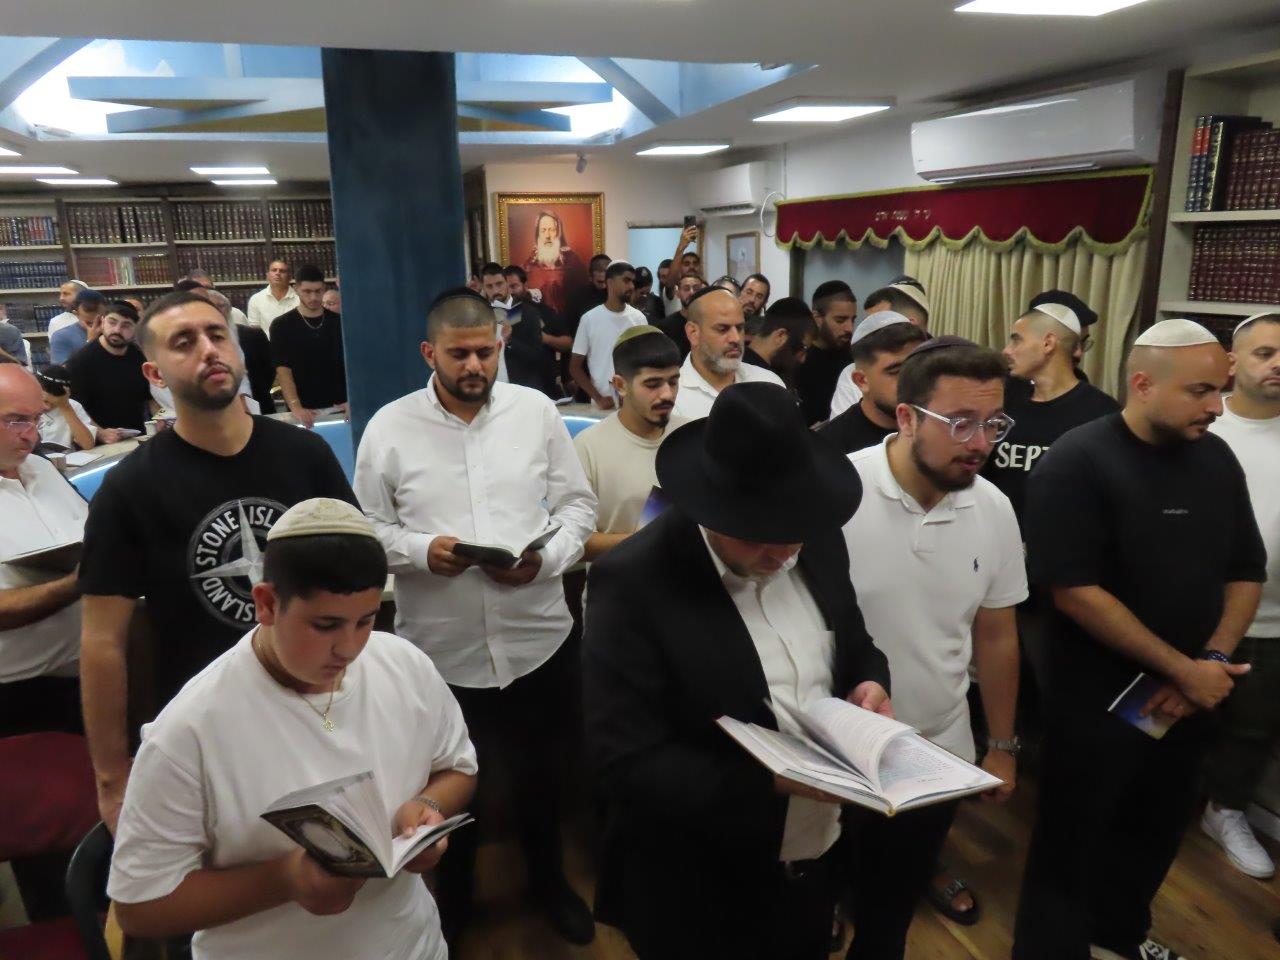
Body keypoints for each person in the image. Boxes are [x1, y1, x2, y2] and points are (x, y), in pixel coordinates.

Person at [583, 381, 892, 960]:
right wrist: (774, 779)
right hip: (698, 882)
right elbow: (624, 760)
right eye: (758, 535)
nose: (783, 554)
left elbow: (856, 644)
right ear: (710, 506)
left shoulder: (816, 540)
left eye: (793, 533)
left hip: (816, 855)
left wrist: (871, 683)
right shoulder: (634, 581)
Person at [107, 497, 478, 960]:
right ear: (266, 603)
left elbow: (458, 768)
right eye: (325, 625)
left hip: (412, 946)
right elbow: (140, 909)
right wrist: (285, 880)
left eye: (365, 621)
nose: (349, 649)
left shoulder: (404, 665)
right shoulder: (190, 730)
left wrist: (427, 808)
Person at [1012, 318, 1267, 960]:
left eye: (1220, 390)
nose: (1216, 407)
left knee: (1155, 830)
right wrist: (1185, 669)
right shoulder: (1077, 461)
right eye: (1201, 392)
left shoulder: (1215, 458)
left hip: (1190, 696)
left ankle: (1118, 941)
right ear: (1144, 383)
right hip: (1098, 700)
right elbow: (1075, 591)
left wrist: (1208, 662)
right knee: (1072, 844)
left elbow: (1246, 570)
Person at [353, 288, 597, 946]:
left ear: (500, 345)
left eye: (485, 352)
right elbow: (366, 529)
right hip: (442, 653)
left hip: (538, 638)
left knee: (545, 777)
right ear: (429, 353)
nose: (474, 366)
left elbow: (578, 508)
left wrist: (544, 562)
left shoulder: (535, 412)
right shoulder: (390, 428)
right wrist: (419, 551)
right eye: (458, 354)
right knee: (446, 788)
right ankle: (453, 903)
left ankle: (549, 884)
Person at [78, 291, 357, 833]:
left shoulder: (307, 456)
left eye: (217, 335)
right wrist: (110, 777)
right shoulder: (129, 488)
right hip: (206, 731)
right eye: (184, 342)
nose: (208, 349)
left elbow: (353, 584)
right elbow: (102, 641)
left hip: (320, 710)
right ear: (155, 374)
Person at [838, 337, 1024, 958]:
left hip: (935, 749)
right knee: (816, 901)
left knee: (890, 916)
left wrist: (1001, 746)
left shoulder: (994, 509)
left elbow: (995, 633)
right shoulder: (839, 488)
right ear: (907, 417)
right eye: (961, 422)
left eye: (993, 423)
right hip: (834, 747)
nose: (980, 442)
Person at [1199, 312, 1280, 880]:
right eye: (1265, 353)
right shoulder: (1203, 426)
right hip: (1194, 617)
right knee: (1161, 721)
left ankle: (1225, 812)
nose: (1278, 364)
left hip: (1274, 620)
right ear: (1232, 361)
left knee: (1252, 729)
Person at [0, 360, 88, 737]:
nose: (31, 435)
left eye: (37, 420)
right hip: (16, 699)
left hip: (85, 679)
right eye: (17, 420)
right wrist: (77, 583)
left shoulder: (43, 469)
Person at [985, 294, 1120, 525]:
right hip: (994, 535)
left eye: (1016, 340)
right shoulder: (1001, 402)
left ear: (1048, 343)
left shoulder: (1102, 414)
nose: (1007, 350)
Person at [574, 327, 683, 561]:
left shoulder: (691, 435)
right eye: (653, 384)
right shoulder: (588, 447)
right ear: (620, 385)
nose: (667, 394)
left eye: (673, 382)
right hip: (616, 582)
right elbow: (574, 541)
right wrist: (653, 542)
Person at [818, 312, 927, 455]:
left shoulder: (939, 428)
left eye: (917, 366)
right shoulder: (828, 448)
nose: (912, 379)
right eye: (896, 371)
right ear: (862, 381)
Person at [671, 286, 784, 420]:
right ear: (693, 333)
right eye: (722, 329)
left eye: (740, 328)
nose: (736, 338)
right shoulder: (672, 399)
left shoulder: (769, 384)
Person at [830, 278, 932, 419]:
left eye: (880, 323)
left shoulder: (947, 370)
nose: (870, 334)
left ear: (910, 324)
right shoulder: (857, 371)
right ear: (861, 380)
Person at [271, 263, 348, 427]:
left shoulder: (340, 323)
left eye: (318, 291)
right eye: (307, 291)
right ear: (296, 289)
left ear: (324, 289)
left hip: (340, 406)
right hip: (304, 409)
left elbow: (352, 365)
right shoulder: (281, 326)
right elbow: (283, 371)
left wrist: (353, 400)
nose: (313, 297)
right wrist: (295, 406)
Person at [67, 300, 153, 435]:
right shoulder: (81, 360)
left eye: (126, 326)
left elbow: (152, 398)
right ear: (102, 322)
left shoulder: (141, 357)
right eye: (112, 322)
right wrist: (101, 433)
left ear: (136, 330)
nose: (117, 330)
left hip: (137, 435)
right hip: (98, 440)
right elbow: (74, 408)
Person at [570, 260, 646, 409]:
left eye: (633, 281)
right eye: (626, 280)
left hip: (634, 404)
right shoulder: (589, 319)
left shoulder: (639, 318)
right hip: (602, 406)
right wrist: (598, 398)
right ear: (610, 282)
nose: (631, 286)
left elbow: (645, 361)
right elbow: (575, 368)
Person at [483, 261, 556, 396]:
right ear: (484, 288)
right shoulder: (481, 315)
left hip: (523, 391)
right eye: (489, 286)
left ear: (507, 284)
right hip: (491, 391)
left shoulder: (528, 312)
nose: (495, 290)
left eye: (499, 284)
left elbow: (538, 357)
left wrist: (511, 341)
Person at [795, 281, 857, 425]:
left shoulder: (857, 360)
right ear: (817, 318)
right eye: (840, 320)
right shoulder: (799, 361)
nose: (849, 328)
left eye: (852, 320)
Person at [505, 264, 573, 393]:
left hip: (544, 384)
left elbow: (568, 343)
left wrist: (544, 338)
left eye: (514, 286)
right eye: (507, 287)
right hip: (512, 385)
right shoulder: (501, 316)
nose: (511, 292)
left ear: (525, 285)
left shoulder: (543, 311)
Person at [520, 210, 590, 316]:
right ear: (538, 233)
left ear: (559, 232)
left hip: (568, 320)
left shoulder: (573, 261)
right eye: (543, 230)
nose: (547, 235)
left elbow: (583, 296)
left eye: (552, 230)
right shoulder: (528, 265)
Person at [1028, 289, 1098, 381]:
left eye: (1083, 343)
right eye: (1072, 343)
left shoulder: (1078, 379)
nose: (1079, 353)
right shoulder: (1011, 381)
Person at [35, 364, 105, 450]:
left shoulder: (71, 406)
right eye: (45, 401)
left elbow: (87, 444)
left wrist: (65, 407)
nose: (47, 407)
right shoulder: (24, 403)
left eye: (54, 403)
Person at [742, 296, 810, 384]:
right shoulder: (768, 382)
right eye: (802, 347)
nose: (803, 359)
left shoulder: (736, 366)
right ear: (781, 336)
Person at [49, 287, 105, 364]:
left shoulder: (114, 332)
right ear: (76, 314)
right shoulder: (61, 336)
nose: (95, 327)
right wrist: (91, 343)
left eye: (99, 321)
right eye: (90, 323)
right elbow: (62, 369)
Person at [656, 272, 704, 361]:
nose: (691, 292)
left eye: (696, 289)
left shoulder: (710, 322)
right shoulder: (665, 326)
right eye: (686, 289)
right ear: (678, 293)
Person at [246, 259, 299, 338]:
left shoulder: (300, 299)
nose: (278, 273)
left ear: (289, 277)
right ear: (267, 275)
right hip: (265, 344)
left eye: (282, 271)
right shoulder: (256, 299)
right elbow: (254, 332)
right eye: (274, 270)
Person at [185, 269, 250, 327]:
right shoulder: (182, 317)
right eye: (198, 289)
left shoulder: (236, 315)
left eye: (207, 288)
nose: (204, 293)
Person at [661, 224, 701, 316]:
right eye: (686, 264)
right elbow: (670, 282)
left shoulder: (703, 288)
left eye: (695, 263)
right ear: (679, 267)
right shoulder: (674, 289)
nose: (691, 266)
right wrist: (681, 246)